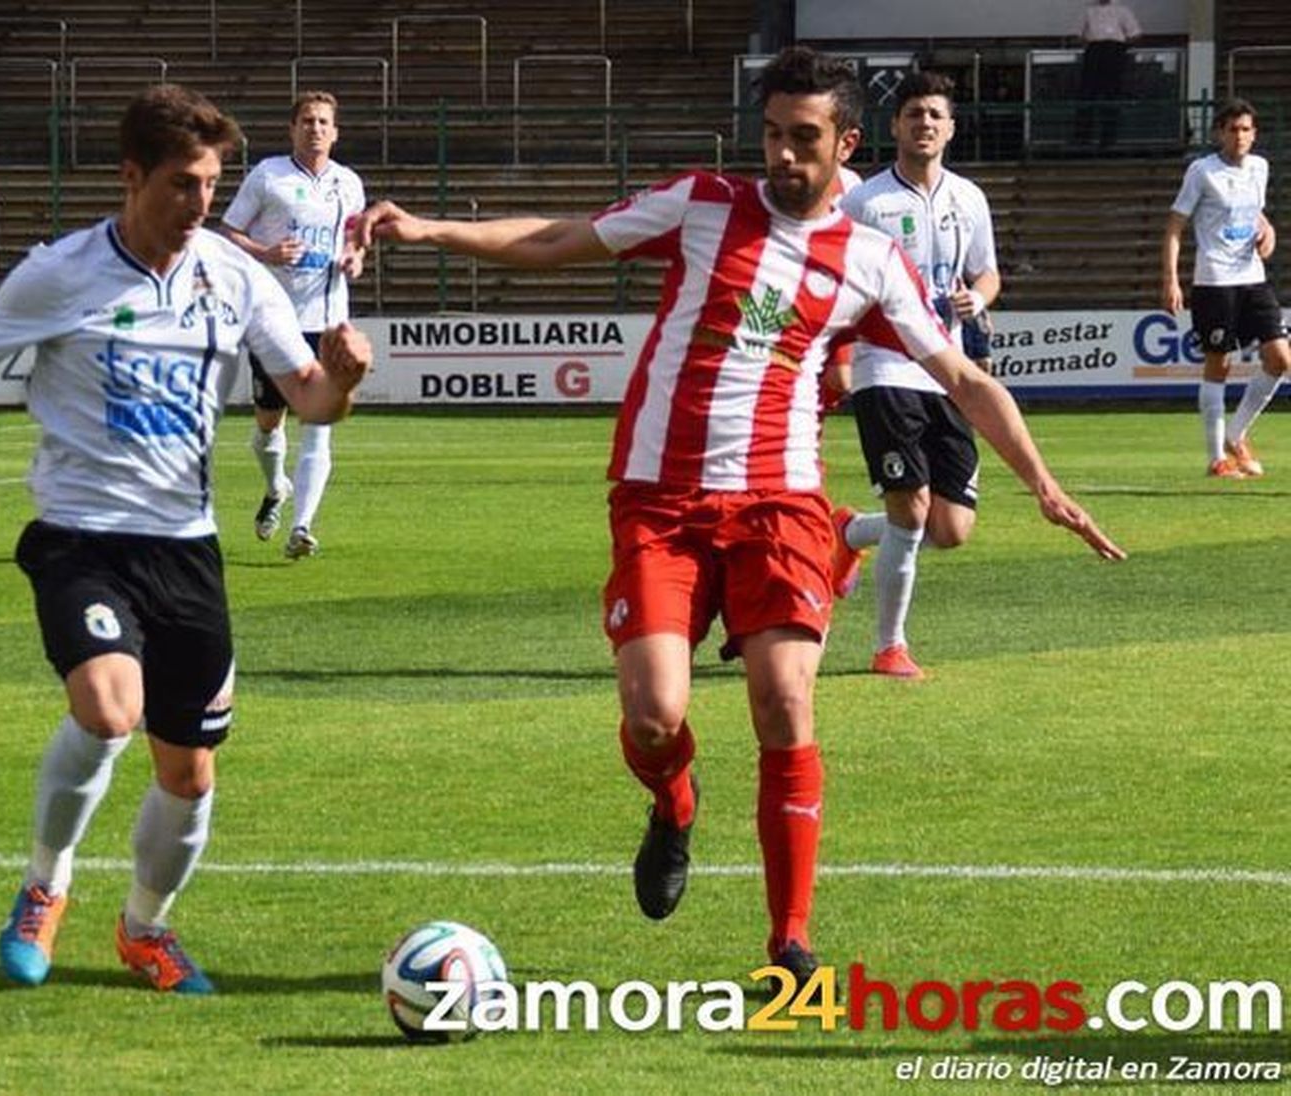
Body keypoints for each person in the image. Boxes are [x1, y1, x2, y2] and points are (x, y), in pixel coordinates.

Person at [351, 46, 1123, 983]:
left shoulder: (871, 260)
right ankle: (674, 802)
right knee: (653, 713)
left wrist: (1043, 484)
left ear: (845, 144)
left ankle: (789, 943)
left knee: (785, 700)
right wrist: (431, 232)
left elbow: (962, 376)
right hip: (660, 500)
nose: (785, 158)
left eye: (806, 140)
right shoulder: (702, 202)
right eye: (773, 136)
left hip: (779, 502)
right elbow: (562, 239)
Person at [0, 85, 371, 994]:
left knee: (191, 769)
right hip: (81, 539)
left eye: (211, 184)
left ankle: (144, 930)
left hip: (187, 550)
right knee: (107, 707)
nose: (201, 203)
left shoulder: (233, 274)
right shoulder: (61, 271)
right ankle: (42, 888)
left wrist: (344, 378)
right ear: (131, 178)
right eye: (182, 184)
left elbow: (309, 399)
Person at [834, 71, 1002, 681]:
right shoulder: (865, 202)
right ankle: (889, 646)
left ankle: (848, 533)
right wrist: (841, 360)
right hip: (886, 368)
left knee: (951, 528)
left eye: (935, 114)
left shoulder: (969, 199)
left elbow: (988, 275)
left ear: (950, 127)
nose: (924, 123)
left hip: (947, 370)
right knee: (911, 510)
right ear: (895, 126)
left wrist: (976, 302)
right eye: (913, 114)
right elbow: (837, 284)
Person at [221, 90, 367, 559]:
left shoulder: (349, 184)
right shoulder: (268, 176)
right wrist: (265, 252)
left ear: (336, 131)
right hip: (274, 320)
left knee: (320, 421)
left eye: (324, 121)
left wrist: (354, 259)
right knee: (269, 423)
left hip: (329, 321)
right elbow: (228, 233)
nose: (316, 128)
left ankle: (302, 526)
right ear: (293, 129)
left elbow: (356, 243)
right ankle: (275, 488)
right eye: (307, 121)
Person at [1161, 98, 1288, 479]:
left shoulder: (1260, 168)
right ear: (1220, 133)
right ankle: (1217, 458)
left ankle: (1237, 434)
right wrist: (1170, 279)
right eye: (1232, 129)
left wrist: (1268, 232)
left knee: (1281, 359)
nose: (1240, 136)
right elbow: (1174, 226)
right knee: (1219, 364)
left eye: (1246, 129)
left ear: (1254, 133)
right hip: (1215, 280)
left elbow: (1255, 214)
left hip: (1252, 277)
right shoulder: (1202, 171)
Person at [1076, 0, 1141, 148]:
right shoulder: (1089, 11)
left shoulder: (1122, 10)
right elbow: (1079, 34)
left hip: (1114, 49)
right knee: (1087, 94)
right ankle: (1083, 137)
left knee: (1111, 94)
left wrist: (1122, 46)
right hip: (1094, 50)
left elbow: (1136, 33)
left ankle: (1108, 139)